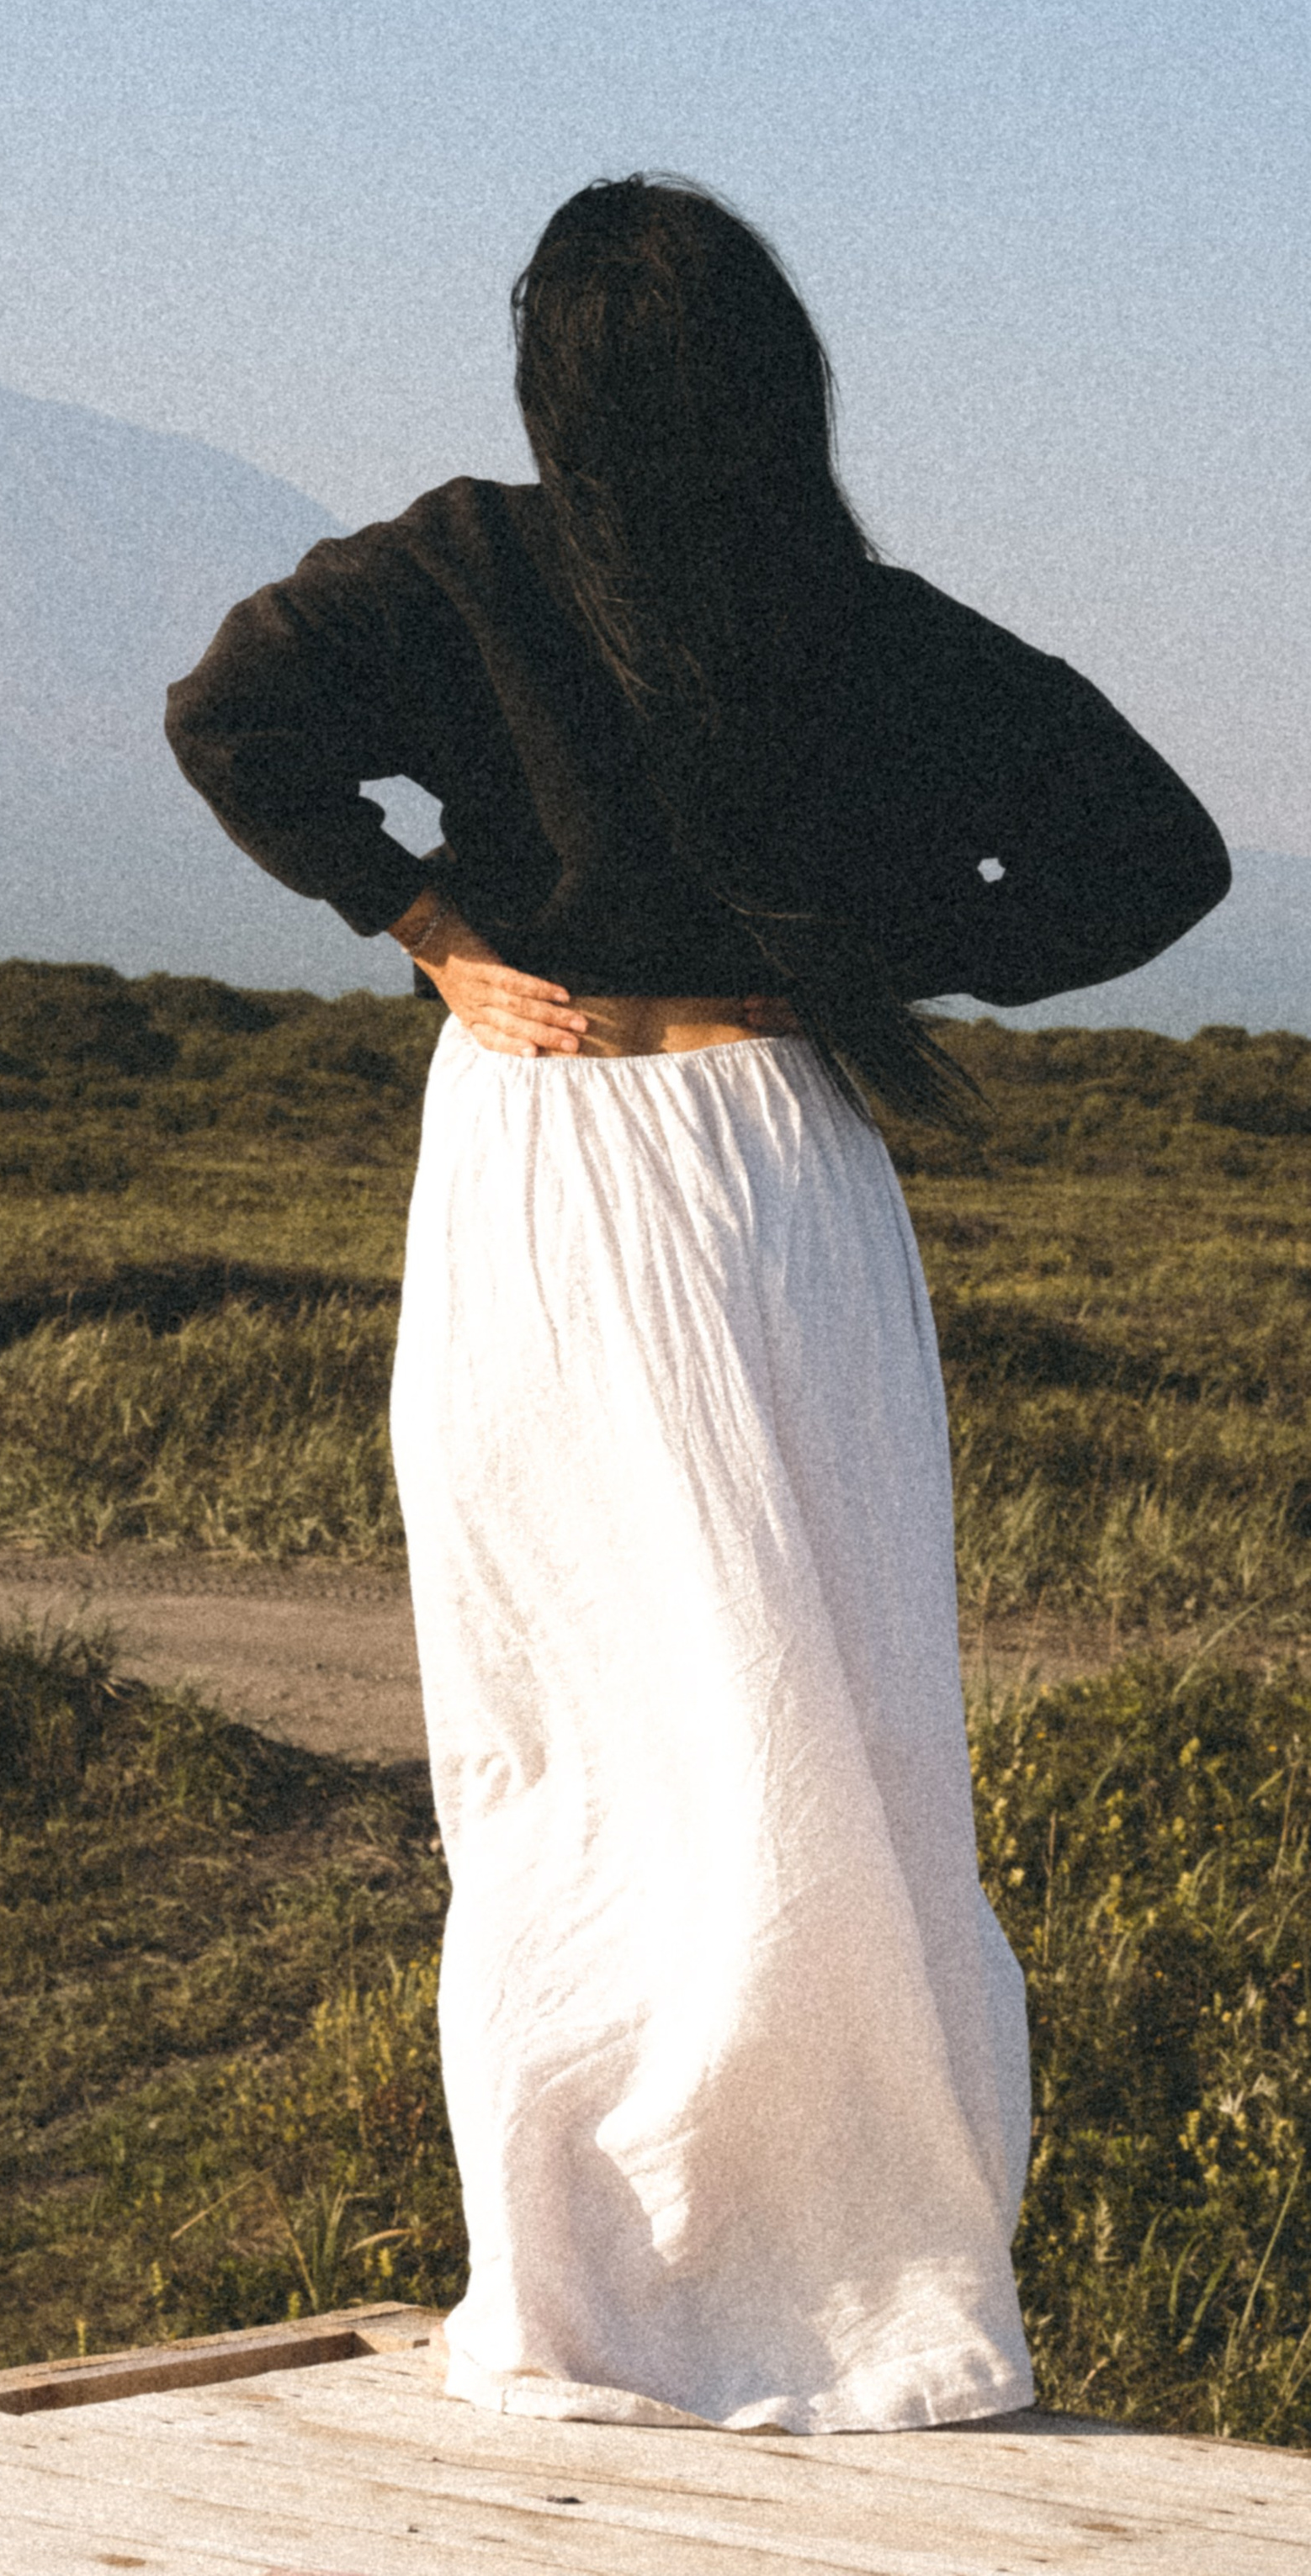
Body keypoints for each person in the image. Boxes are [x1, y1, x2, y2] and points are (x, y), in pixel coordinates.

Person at [164, 176, 1228, 2436]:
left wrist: (427, 927)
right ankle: (847, 2271)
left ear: (553, 378)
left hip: (538, 1162)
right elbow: (1155, 856)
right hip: (766, 1165)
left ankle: (594, 2277)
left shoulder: (464, 561)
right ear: (773, 379)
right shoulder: (853, 618)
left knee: (563, 1728)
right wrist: (887, 950)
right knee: (813, 1709)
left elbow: (232, 715)